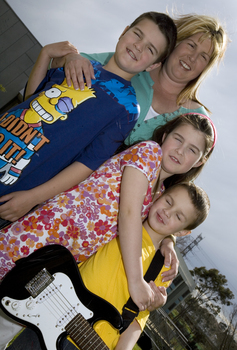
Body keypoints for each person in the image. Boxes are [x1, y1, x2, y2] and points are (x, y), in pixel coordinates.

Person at [0, 112, 216, 311]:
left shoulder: (159, 193)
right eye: (178, 139)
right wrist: (136, 280)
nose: (180, 150)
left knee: (12, 301)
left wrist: (169, 240)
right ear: (165, 135)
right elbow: (129, 213)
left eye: (192, 150)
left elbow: (158, 221)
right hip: (46, 231)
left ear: (200, 161)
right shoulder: (149, 153)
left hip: (66, 258)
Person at [0, 12, 177, 224]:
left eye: (150, 49)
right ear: (124, 31)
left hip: (15, 180)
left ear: (153, 66)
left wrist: (33, 197)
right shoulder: (80, 65)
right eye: (137, 34)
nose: (139, 46)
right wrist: (45, 54)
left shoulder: (127, 109)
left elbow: (87, 163)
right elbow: (32, 100)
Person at [3, 182, 211, 350]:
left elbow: (139, 318)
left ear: (183, 232)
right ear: (158, 195)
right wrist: (169, 240)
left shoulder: (164, 266)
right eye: (168, 201)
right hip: (52, 319)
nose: (167, 212)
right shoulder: (123, 220)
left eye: (178, 216)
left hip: (95, 341)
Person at [54, 13, 228, 146]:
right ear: (175, 42)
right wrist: (71, 57)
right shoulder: (132, 66)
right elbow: (64, 66)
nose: (192, 57)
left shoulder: (197, 118)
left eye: (203, 57)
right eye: (191, 45)